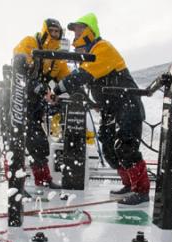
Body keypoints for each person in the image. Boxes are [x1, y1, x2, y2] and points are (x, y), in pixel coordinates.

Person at [50, 13, 150, 206]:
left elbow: (81, 76)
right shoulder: (89, 57)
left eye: (78, 30)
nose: (75, 35)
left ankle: (141, 190)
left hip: (127, 105)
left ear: (89, 31)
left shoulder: (102, 48)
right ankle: (129, 184)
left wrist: (57, 89)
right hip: (111, 110)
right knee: (109, 147)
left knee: (125, 146)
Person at [13, 18, 71, 189]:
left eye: (57, 32)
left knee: (37, 142)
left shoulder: (57, 56)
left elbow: (67, 79)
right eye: (51, 31)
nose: (54, 34)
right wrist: (40, 89)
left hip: (34, 105)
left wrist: (64, 95)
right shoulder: (29, 43)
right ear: (45, 30)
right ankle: (14, 186)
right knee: (13, 142)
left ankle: (43, 180)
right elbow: (20, 71)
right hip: (16, 99)